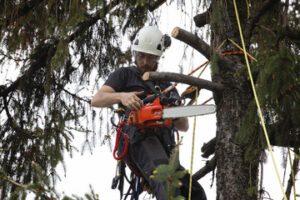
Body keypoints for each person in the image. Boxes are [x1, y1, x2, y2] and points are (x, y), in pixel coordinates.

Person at [91, 26, 206, 200]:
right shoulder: (125, 74)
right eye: (141, 56)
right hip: (139, 138)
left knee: (195, 193)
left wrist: (173, 112)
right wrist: (122, 96)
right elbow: (97, 99)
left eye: (151, 57)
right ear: (135, 53)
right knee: (166, 185)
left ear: (158, 58)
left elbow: (184, 126)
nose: (145, 62)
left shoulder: (167, 85)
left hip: (165, 146)